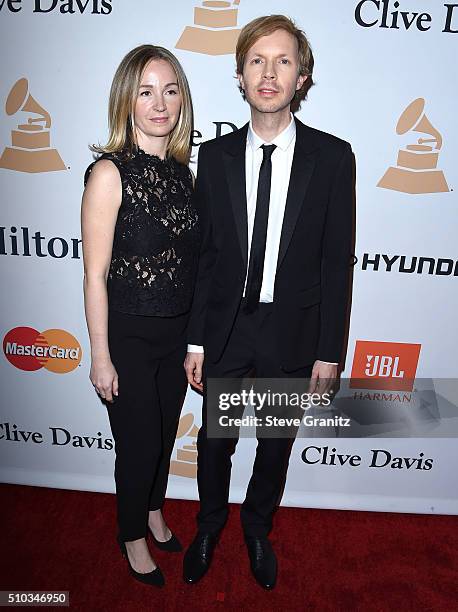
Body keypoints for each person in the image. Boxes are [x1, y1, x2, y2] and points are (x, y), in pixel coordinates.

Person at [183, 15, 353, 589]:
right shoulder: (215, 156)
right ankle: (209, 526)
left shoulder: (333, 159)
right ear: (239, 74)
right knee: (214, 445)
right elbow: (206, 257)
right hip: (228, 330)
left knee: (275, 446)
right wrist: (198, 338)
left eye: (283, 61)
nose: (269, 72)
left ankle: (257, 528)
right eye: (257, 60)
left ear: (302, 77)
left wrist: (330, 351)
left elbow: (337, 263)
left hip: (291, 332)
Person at [81, 44, 199, 587]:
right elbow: (95, 274)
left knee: (163, 434)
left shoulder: (182, 174)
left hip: (175, 337)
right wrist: (101, 356)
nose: (160, 103)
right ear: (126, 99)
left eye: (170, 90)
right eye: (146, 90)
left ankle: (154, 510)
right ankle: (131, 532)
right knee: (139, 443)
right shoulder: (109, 172)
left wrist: (194, 344)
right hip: (126, 336)